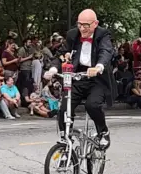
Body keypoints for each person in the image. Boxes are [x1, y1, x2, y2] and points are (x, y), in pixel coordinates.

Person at [44, 9, 117, 149]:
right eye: (79, 24)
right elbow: (62, 53)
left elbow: (106, 51)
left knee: (92, 105)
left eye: (86, 25)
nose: (82, 28)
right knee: (64, 109)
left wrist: (99, 67)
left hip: (97, 78)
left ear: (95, 24)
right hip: (78, 77)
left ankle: (103, 131)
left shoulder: (103, 34)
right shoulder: (73, 35)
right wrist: (53, 68)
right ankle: (66, 141)